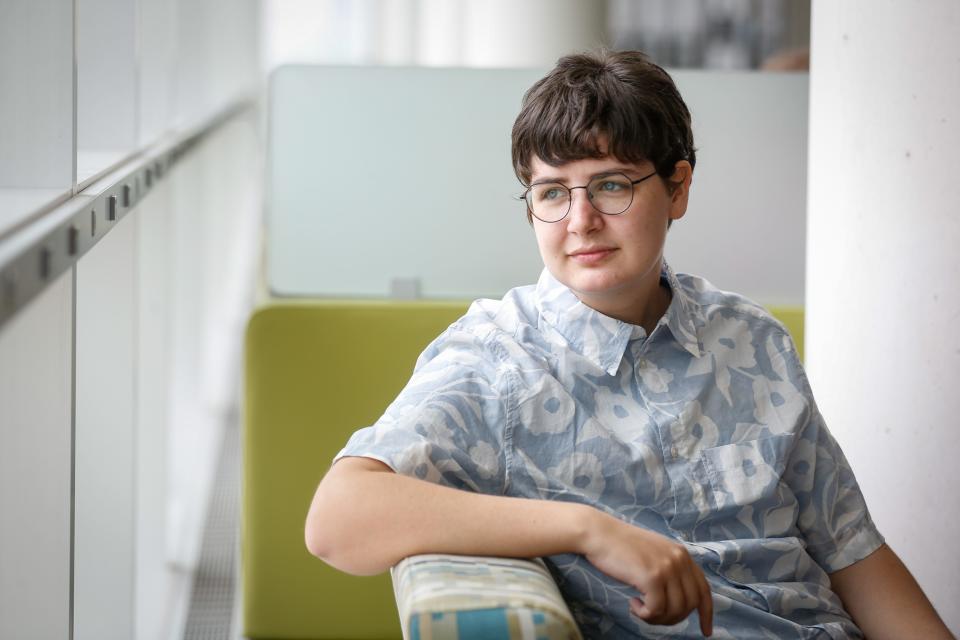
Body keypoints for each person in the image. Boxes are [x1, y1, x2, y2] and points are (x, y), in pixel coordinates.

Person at [305, 50, 953, 639]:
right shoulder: (500, 362)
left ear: (677, 189)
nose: (581, 220)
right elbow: (337, 522)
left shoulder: (752, 340)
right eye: (553, 193)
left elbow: (853, 553)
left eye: (612, 184)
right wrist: (588, 529)